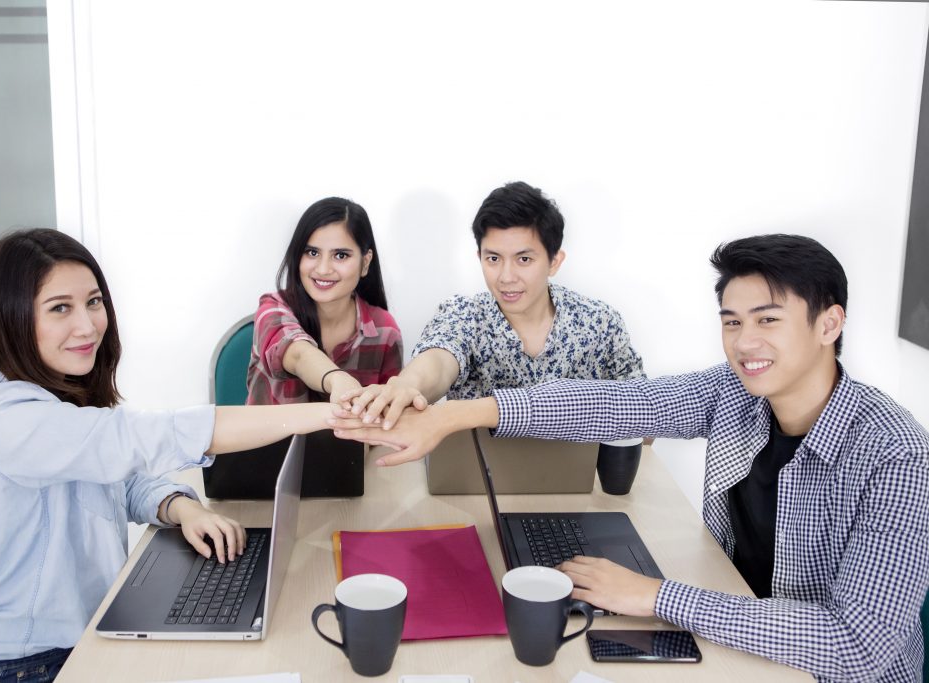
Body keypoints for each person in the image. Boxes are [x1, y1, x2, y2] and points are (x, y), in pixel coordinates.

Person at [332, 234, 929, 680]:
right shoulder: (735, 393)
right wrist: (453, 415)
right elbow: (612, 405)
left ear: (830, 324)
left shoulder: (894, 453)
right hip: (743, 637)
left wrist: (655, 597)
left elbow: (859, 643)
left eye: (768, 321)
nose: (746, 343)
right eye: (732, 322)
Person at [0, 229, 335, 683]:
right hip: (22, 666)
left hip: (81, 639)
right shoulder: (9, 420)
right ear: (9, 318)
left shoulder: (59, 400)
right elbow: (142, 438)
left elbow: (121, 478)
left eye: (94, 302)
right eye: (60, 308)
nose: (88, 325)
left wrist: (181, 507)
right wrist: (321, 414)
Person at [343, 181, 643, 429]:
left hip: (582, 493)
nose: (506, 277)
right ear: (480, 257)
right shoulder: (463, 315)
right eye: (493, 259)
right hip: (476, 488)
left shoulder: (599, 322)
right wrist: (408, 384)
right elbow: (439, 358)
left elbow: (645, 417)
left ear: (554, 261)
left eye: (524, 259)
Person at [246, 196, 403, 405]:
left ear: (365, 263)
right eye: (312, 253)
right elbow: (298, 355)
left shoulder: (384, 330)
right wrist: (336, 379)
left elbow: (388, 413)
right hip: (268, 437)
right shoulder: (273, 308)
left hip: (351, 439)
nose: (323, 269)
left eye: (340, 256)